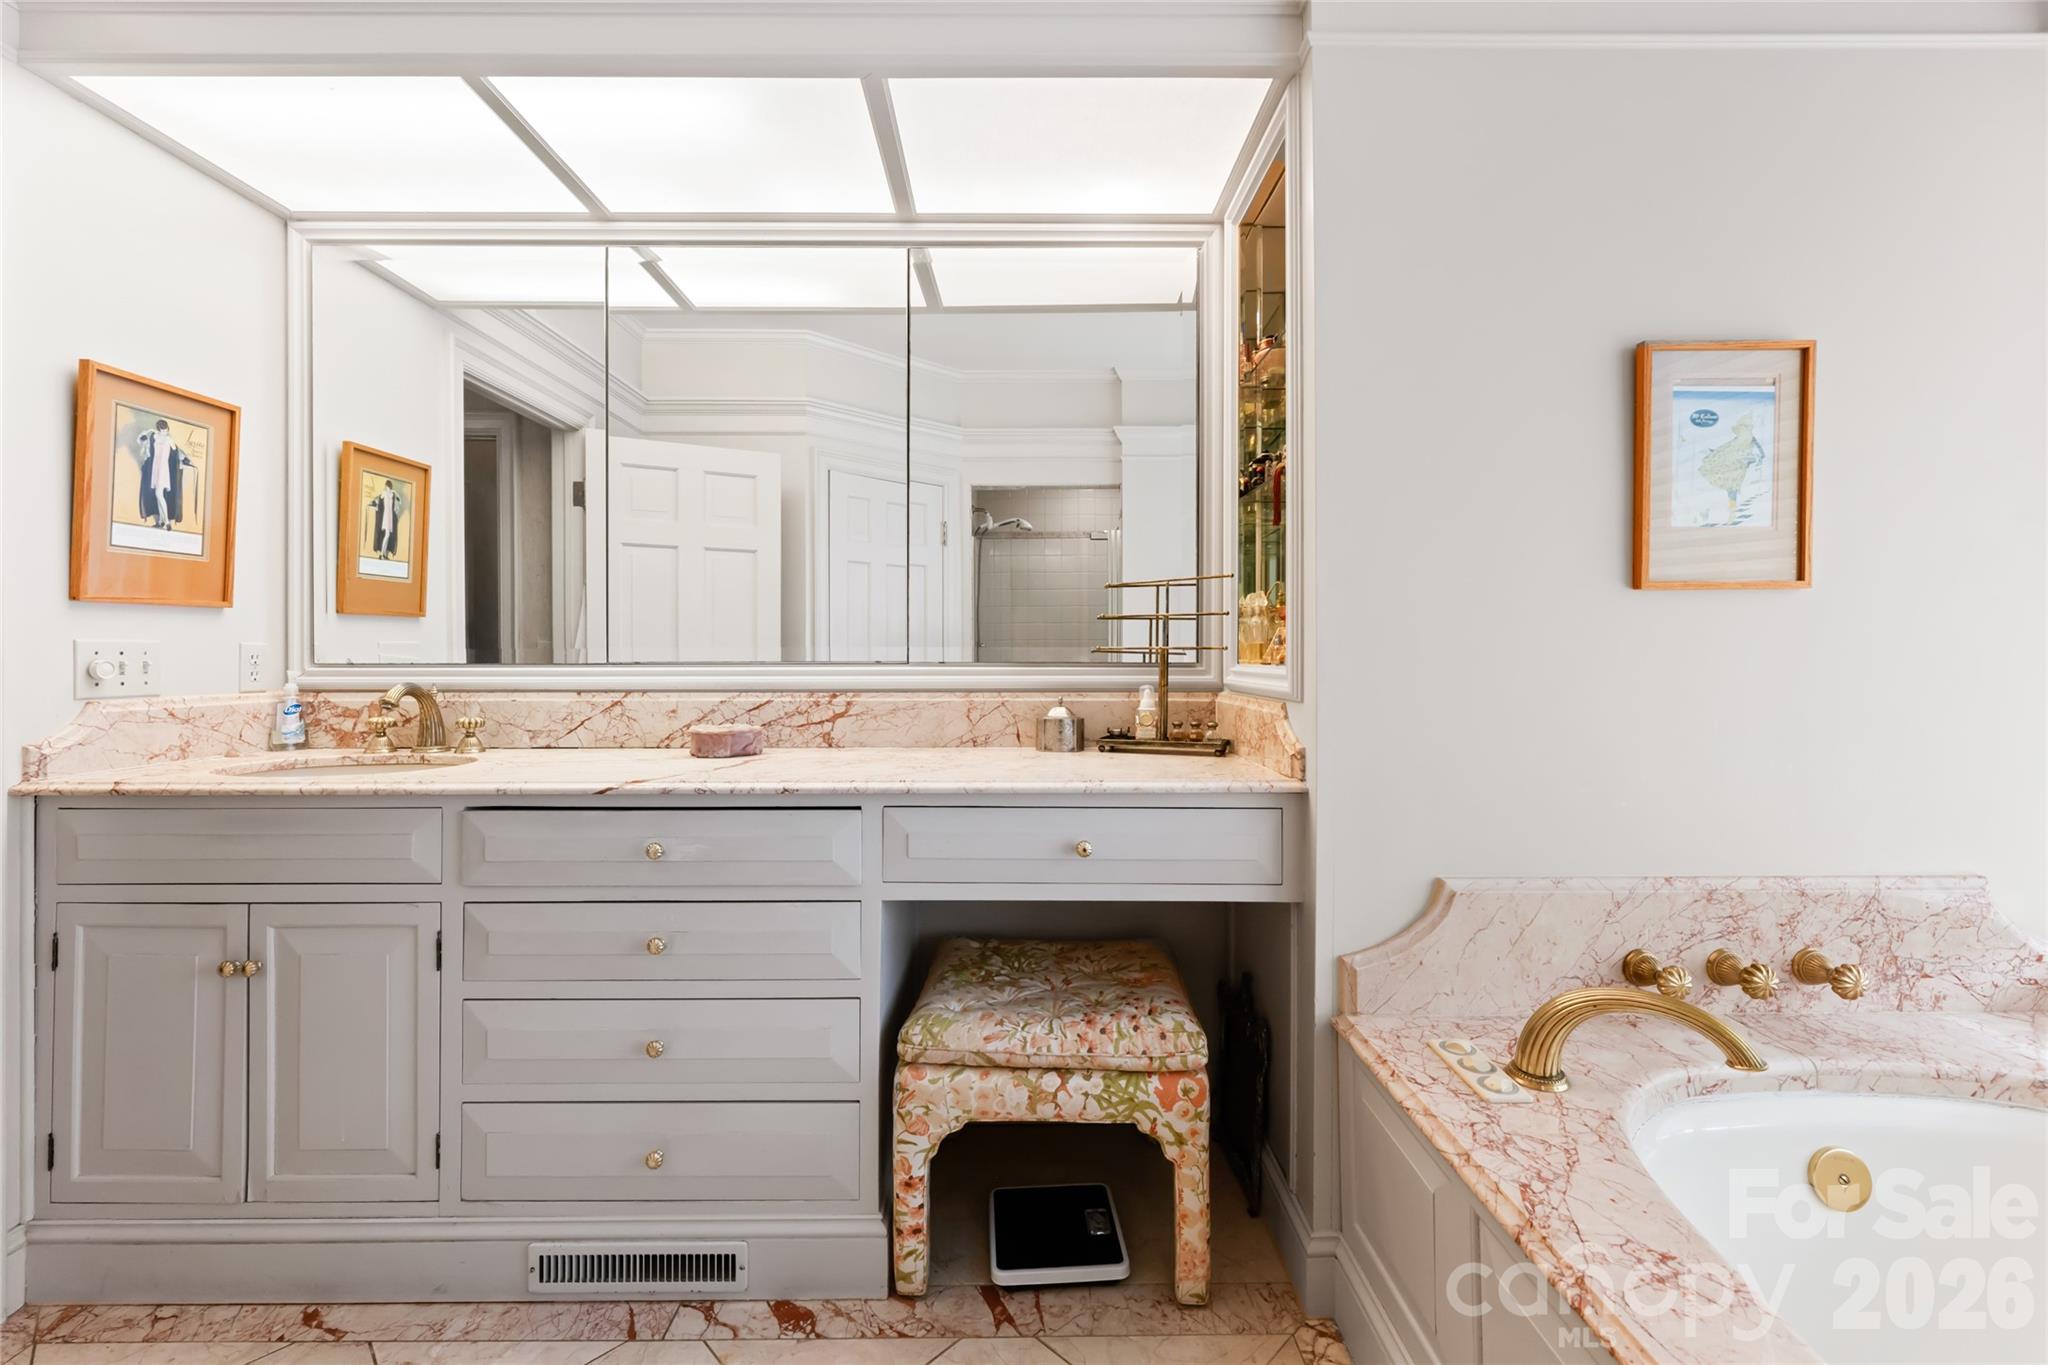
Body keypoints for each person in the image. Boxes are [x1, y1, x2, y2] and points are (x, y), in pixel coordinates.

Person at [134, 419, 193, 529]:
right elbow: (142, 440)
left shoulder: (169, 439)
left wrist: (184, 459)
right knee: (158, 495)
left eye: (166, 431)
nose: (164, 433)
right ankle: (161, 521)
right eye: (162, 431)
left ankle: (166, 522)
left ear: (167, 430)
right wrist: (148, 432)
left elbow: (177, 452)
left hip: (163, 469)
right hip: (155, 468)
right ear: (159, 430)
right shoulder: (155, 436)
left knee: (159, 494)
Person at [368, 479, 402, 559]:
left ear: (388, 486)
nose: (386, 487)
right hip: (385, 517)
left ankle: (384, 554)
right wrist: (373, 503)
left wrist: (396, 492)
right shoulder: (384, 493)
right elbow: (378, 498)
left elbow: (399, 501)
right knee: (387, 535)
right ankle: (382, 555)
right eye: (386, 486)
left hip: (390, 517)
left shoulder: (392, 494)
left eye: (386, 486)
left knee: (388, 535)